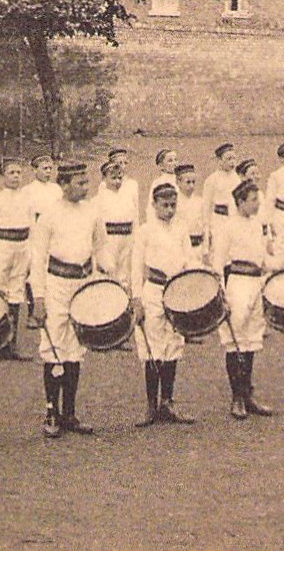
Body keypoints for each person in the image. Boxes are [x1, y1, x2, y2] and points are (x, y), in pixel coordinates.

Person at [30, 161, 104, 438]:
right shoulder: (49, 215)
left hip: (82, 285)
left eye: (86, 182)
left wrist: (108, 278)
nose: (86, 187)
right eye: (80, 182)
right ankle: (51, 411)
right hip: (56, 286)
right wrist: (38, 298)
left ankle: (69, 413)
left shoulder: (92, 211)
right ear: (63, 185)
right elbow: (37, 260)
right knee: (54, 345)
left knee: (76, 347)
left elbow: (101, 247)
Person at [128, 182, 205, 425]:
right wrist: (137, 299)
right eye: (165, 205)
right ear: (154, 205)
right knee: (153, 346)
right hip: (153, 290)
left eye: (173, 205)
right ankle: (151, 406)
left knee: (173, 344)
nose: (169, 210)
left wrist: (193, 291)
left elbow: (190, 261)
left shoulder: (181, 229)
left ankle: (168, 402)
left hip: (177, 291)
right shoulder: (144, 231)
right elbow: (136, 266)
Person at [211, 179, 284, 419]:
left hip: (256, 284)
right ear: (240, 201)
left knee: (252, 339)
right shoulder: (227, 226)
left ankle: (248, 394)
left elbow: (262, 259)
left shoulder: (256, 225)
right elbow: (217, 262)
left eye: (258, 200)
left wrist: (282, 263)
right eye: (253, 200)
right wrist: (221, 294)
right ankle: (237, 398)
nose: (257, 205)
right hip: (237, 285)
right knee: (235, 341)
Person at [0, 159, 36, 360]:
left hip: (22, 247)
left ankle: (11, 344)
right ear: (2, 176)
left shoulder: (28, 199)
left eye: (18, 173)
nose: (15, 177)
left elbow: (33, 229)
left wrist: (31, 256)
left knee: (16, 294)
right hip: (2, 248)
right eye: (11, 173)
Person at [19, 155, 62, 328]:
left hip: (55, 233)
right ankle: (32, 313)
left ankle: (51, 311)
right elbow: (25, 215)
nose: (48, 172)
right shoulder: (28, 190)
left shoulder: (56, 189)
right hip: (36, 232)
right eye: (44, 168)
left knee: (52, 270)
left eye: (50, 168)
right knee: (34, 271)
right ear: (35, 170)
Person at [94, 159, 137, 291]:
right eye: (113, 178)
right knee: (109, 269)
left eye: (120, 178)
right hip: (109, 238)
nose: (117, 181)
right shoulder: (99, 198)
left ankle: (125, 299)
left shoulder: (126, 196)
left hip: (126, 236)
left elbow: (133, 217)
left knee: (125, 270)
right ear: (104, 178)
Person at [203, 143, 240, 230]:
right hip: (219, 220)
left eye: (234, 158)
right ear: (220, 161)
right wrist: (207, 226)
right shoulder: (212, 179)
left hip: (234, 219)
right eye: (228, 159)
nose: (232, 162)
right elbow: (206, 205)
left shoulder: (236, 178)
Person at [144, 149, 179, 227]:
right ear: (161, 166)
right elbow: (151, 208)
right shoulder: (158, 183)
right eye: (170, 161)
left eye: (176, 160)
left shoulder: (180, 180)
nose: (175, 163)